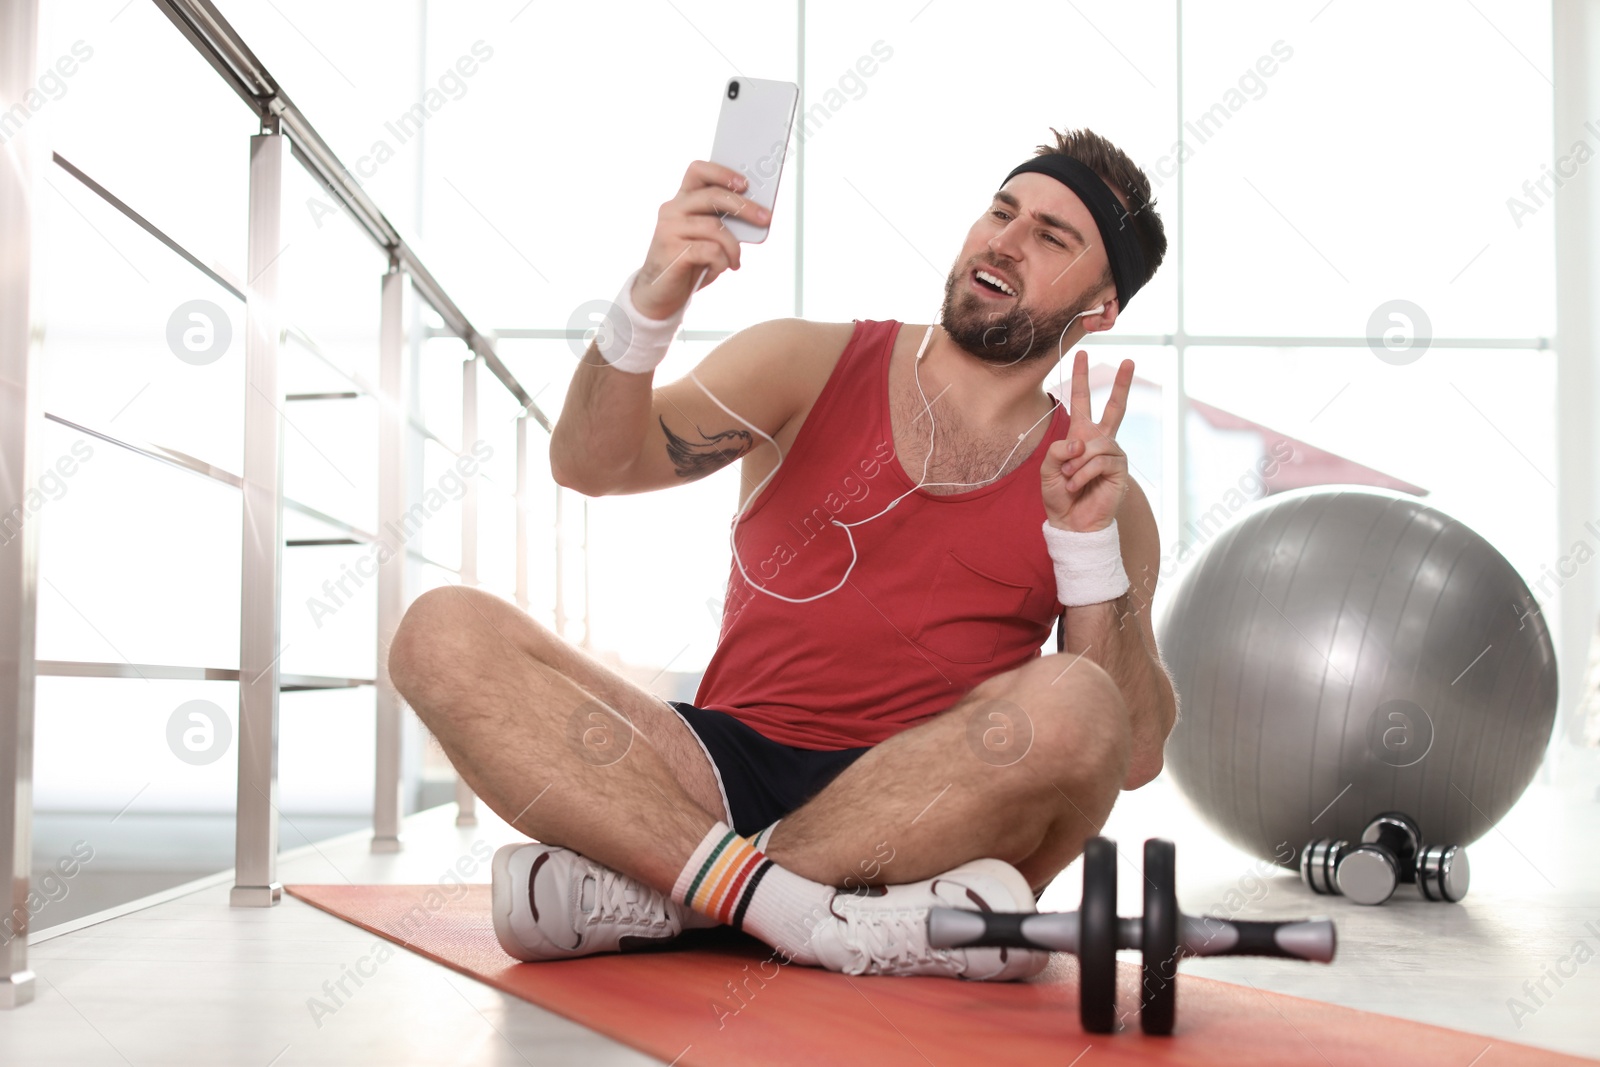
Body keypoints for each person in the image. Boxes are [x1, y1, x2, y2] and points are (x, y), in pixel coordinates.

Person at [388, 126, 1178, 981]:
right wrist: (652, 298)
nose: (1004, 241)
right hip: (715, 770)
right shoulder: (806, 360)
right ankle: (796, 908)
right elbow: (587, 463)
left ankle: (686, 888)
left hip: (921, 811)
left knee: (1077, 703)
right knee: (440, 631)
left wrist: (1086, 541)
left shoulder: (1102, 493)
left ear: (1098, 310)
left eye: (1051, 237)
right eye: (1002, 211)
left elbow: (1126, 751)